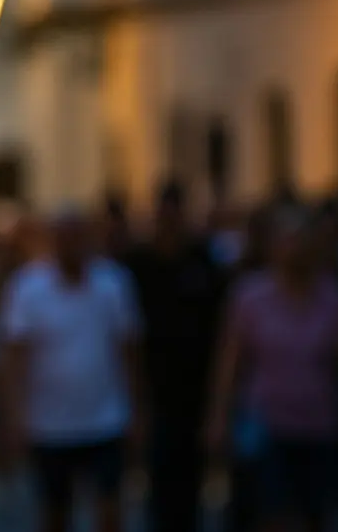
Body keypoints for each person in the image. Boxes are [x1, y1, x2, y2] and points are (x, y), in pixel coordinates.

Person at [207, 205, 338, 532]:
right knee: (276, 515)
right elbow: (231, 361)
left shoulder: (331, 296)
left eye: (303, 241)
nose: (295, 250)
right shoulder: (250, 296)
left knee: (315, 515)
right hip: (268, 427)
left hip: (319, 425)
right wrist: (220, 416)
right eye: (288, 241)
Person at [0, 209, 144, 532]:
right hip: (49, 424)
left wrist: (135, 411)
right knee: (54, 513)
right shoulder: (27, 287)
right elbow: (14, 358)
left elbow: (128, 352)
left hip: (105, 419)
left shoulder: (113, 283)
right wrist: (15, 416)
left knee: (109, 510)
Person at [126, 181, 225, 532]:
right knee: (159, 480)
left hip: (196, 392)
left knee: (192, 482)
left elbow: (222, 332)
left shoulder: (204, 262)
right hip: (156, 392)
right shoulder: (137, 264)